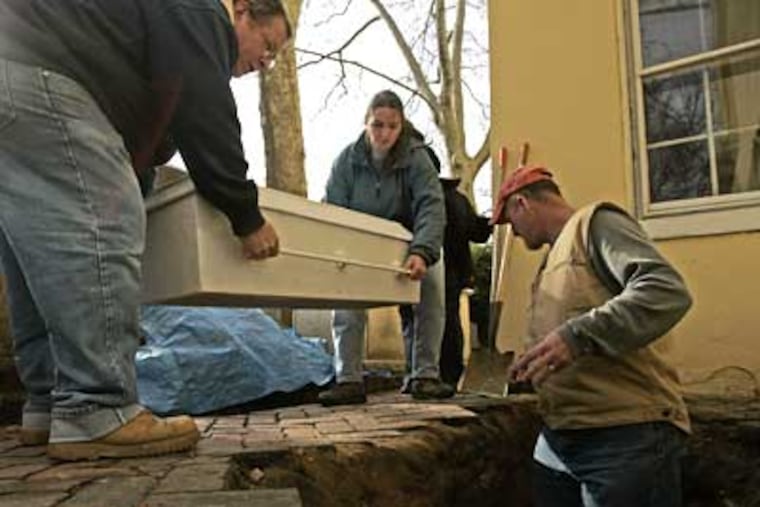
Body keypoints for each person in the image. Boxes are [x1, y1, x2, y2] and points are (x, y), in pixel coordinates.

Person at [0, 0, 290, 460]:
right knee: (103, 229)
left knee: (34, 256)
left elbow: (150, 131)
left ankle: (50, 404)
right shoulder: (202, 13)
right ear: (241, 12)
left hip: (15, 70)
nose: (265, 63)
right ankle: (97, 407)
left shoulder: (152, 26)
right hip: (43, 76)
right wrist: (246, 216)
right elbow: (205, 112)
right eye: (268, 45)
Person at [493, 166, 692, 506]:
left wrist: (577, 336)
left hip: (626, 434)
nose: (514, 233)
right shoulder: (551, 262)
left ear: (521, 204)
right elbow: (567, 334)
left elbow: (665, 291)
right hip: (561, 438)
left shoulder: (596, 224)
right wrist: (533, 366)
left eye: (510, 224)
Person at [319, 89, 454, 405]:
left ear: (401, 126)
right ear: (366, 124)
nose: (384, 133)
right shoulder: (346, 161)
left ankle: (425, 374)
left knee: (433, 287)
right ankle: (348, 378)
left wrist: (422, 252)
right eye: (377, 125)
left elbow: (431, 208)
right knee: (345, 295)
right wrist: (339, 252)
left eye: (392, 126)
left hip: (409, 240)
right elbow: (334, 210)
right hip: (361, 241)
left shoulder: (418, 158)